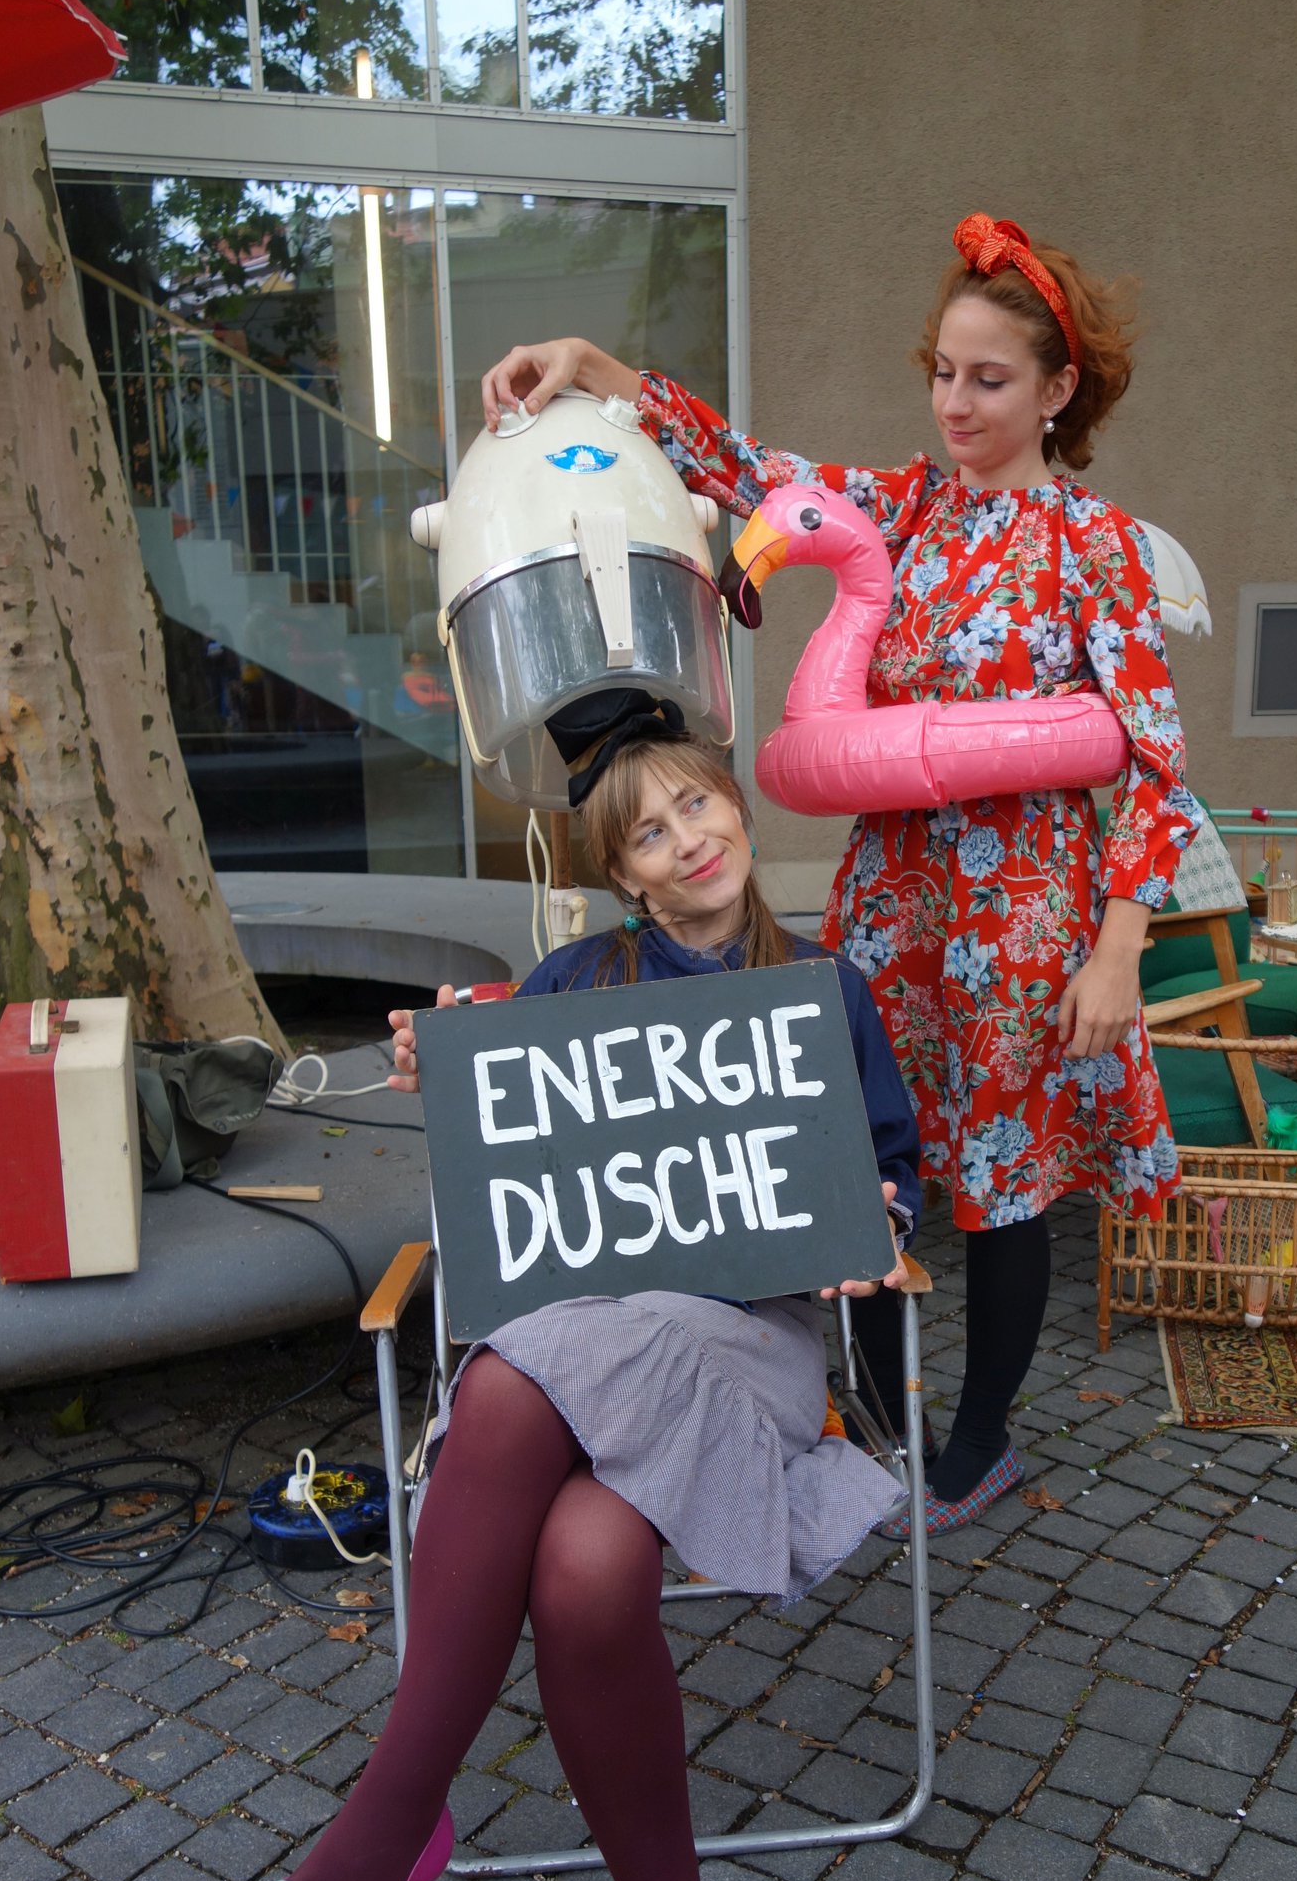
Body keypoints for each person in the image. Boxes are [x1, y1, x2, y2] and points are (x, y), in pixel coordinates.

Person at [218, 702, 922, 1881]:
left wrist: (878, 1224)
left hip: (746, 1336)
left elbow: (892, 1169)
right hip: (587, 1322)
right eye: (650, 834)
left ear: (736, 808)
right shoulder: (574, 981)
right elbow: (507, 1145)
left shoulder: (824, 990)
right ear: (626, 876)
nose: (688, 841)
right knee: (575, 1539)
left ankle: (400, 1824)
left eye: (698, 806)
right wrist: (443, 1073)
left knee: (519, 1408)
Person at [480, 210, 1198, 1539]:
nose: (956, 403)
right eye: (943, 372)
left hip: (1021, 913)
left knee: (1002, 1183)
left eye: (990, 379)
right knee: (852, 1151)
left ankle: (977, 1440)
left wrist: (1118, 949)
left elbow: (1157, 761)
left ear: (1057, 391)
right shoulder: (908, 506)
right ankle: (876, 1413)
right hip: (895, 896)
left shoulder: (1095, 544)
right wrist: (592, 365)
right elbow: (753, 470)